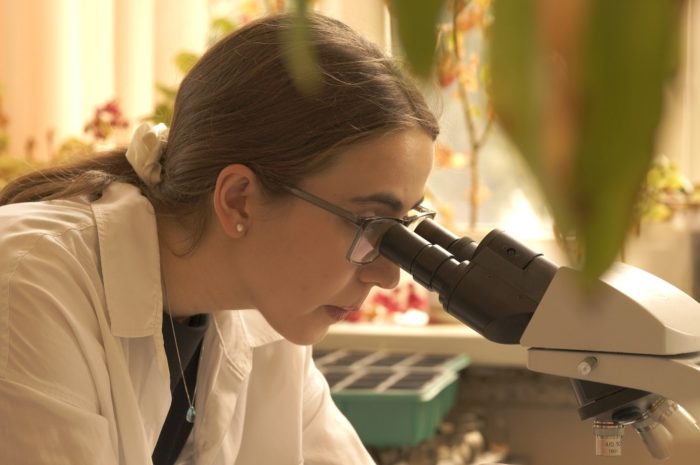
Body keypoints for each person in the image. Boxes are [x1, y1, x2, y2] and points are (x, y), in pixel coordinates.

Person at [0, 12, 439, 465]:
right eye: (369, 224)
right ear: (238, 200)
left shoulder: (266, 313)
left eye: (401, 227)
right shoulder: (27, 282)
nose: (388, 276)